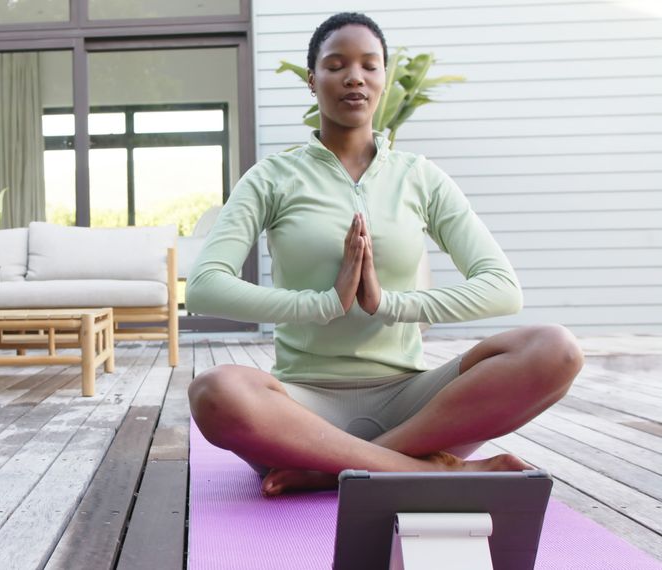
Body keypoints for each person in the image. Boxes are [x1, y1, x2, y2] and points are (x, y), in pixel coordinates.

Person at [185, 12, 584, 496]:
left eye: (369, 65)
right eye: (336, 65)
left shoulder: (421, 177)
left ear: (384, 79)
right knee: (214, 391)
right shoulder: (272, 177)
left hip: (415, 405)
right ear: (312, 82)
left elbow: (502, 289)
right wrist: (324, 303)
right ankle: (424, 471)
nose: (354, 76)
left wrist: (388, 303)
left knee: (555, 349)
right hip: (303, 408)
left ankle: (338, 470)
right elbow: (205, 286)